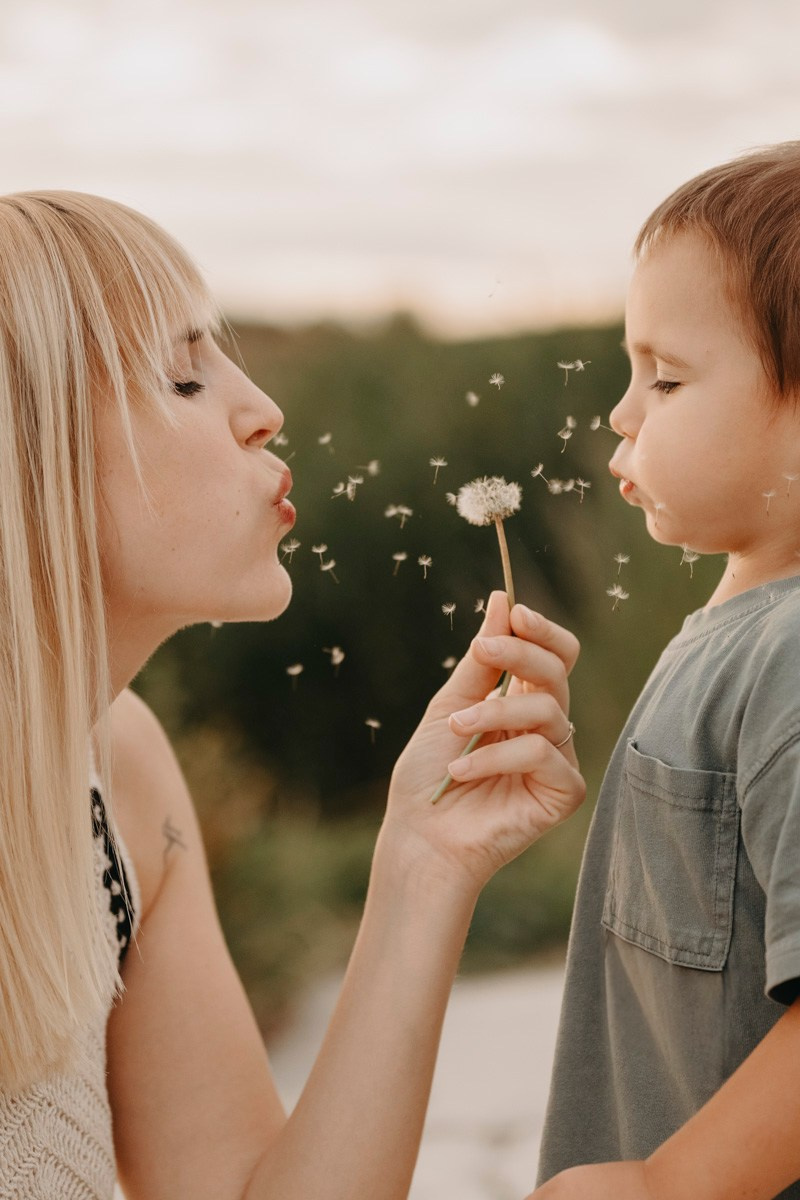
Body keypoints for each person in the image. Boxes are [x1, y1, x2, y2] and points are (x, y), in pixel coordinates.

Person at [0, 190, 585, 1200]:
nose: (264, 409)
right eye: (183, 377)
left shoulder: (121, 774)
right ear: (28, 448)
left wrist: (423, 864)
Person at [528, 142, 800, 1200]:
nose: (620, 412)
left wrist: (669, 1183)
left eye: (667, 378)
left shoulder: (790, 654)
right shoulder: (746, 631)